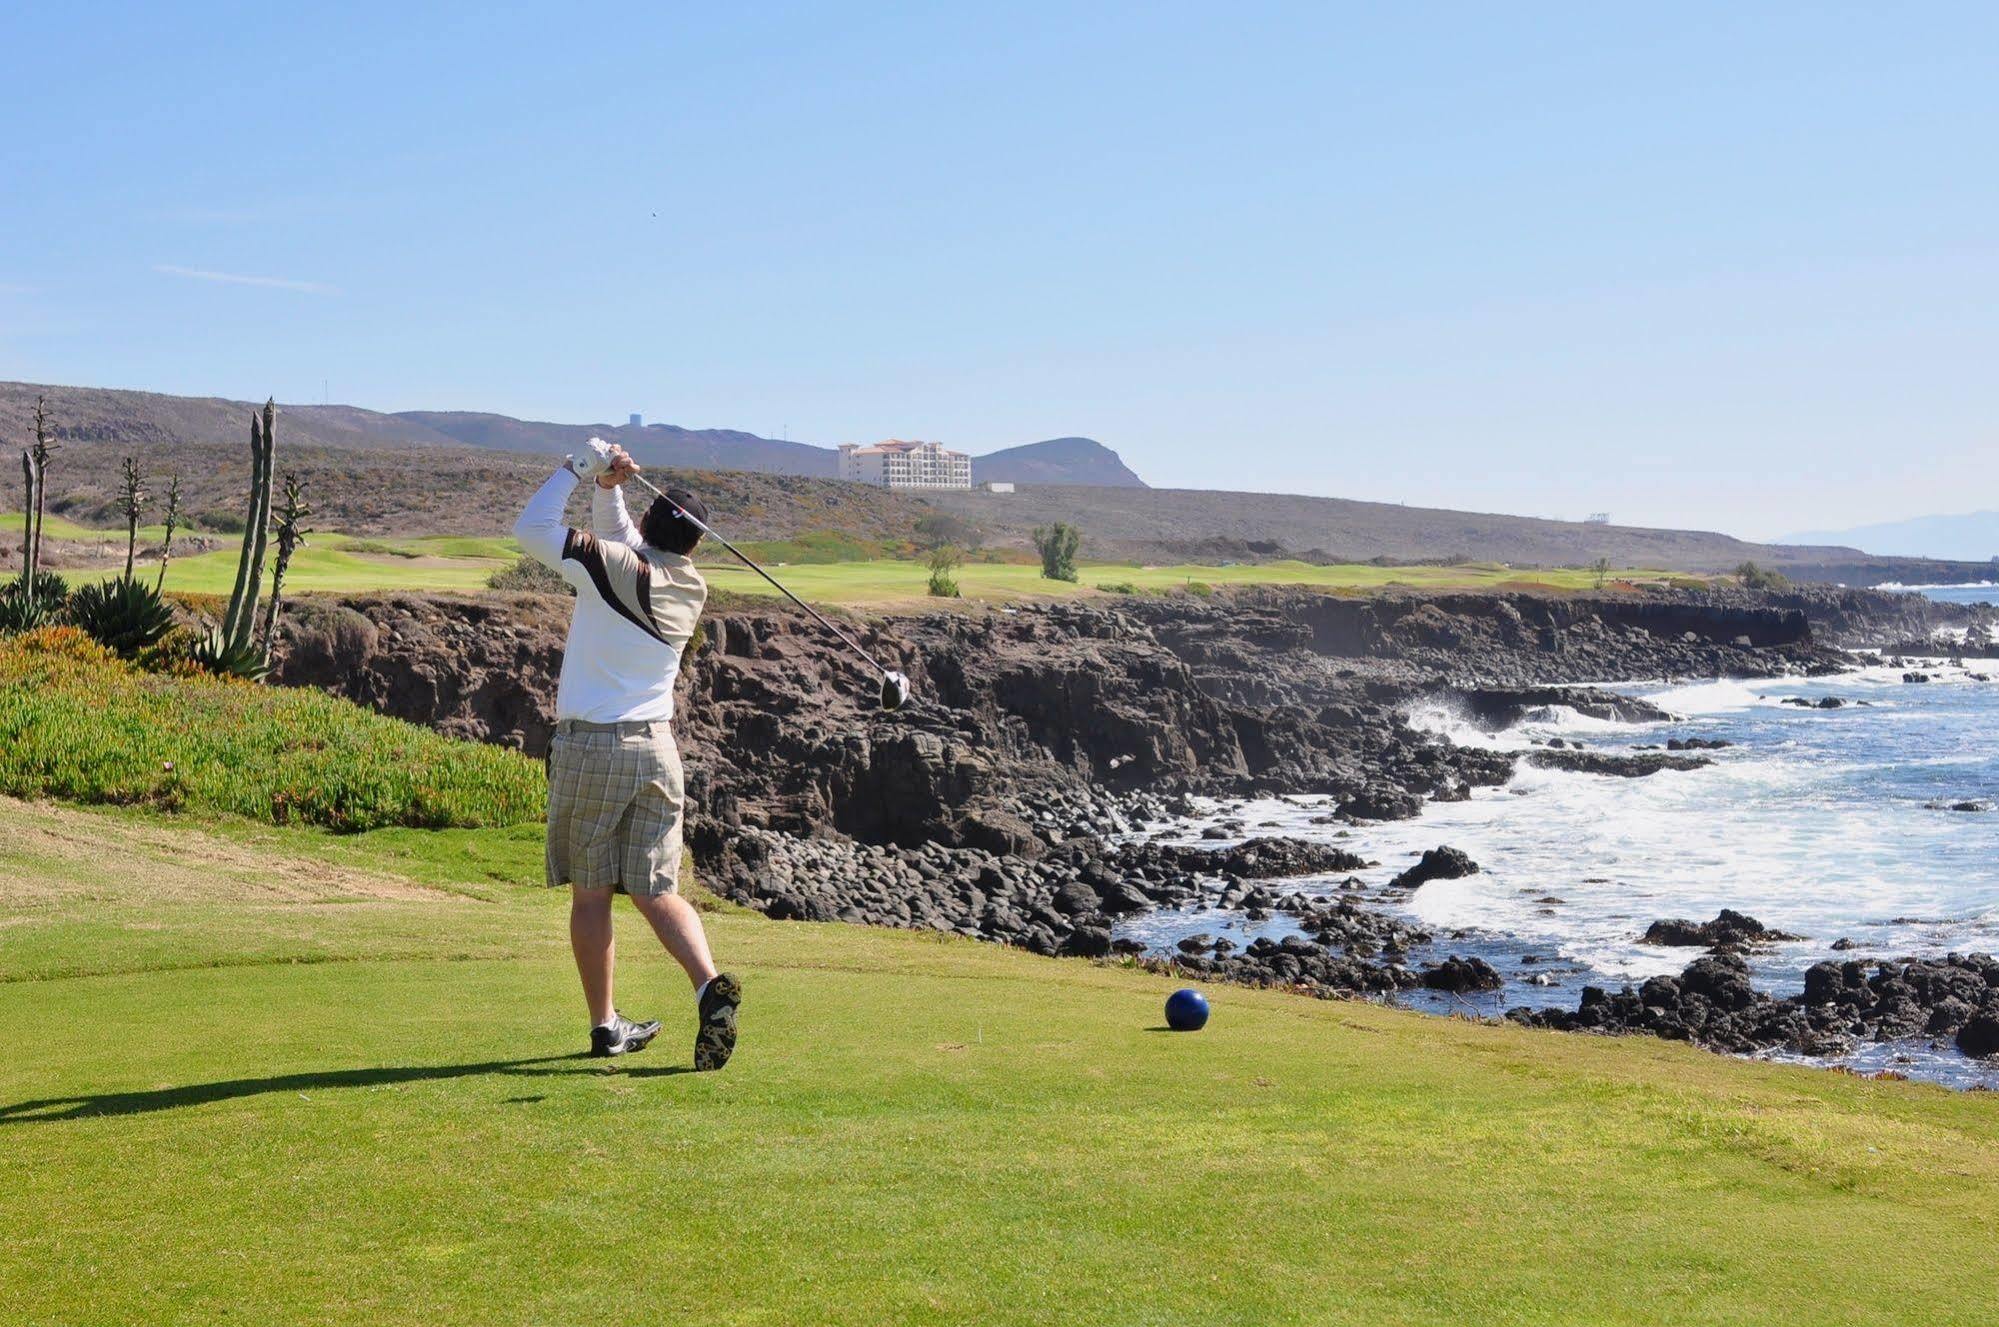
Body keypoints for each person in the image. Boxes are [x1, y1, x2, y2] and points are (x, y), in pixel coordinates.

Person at [511, 439, 741, 1070]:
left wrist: (575, 468)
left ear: (648, 526)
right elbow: (629, 547)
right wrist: (611, 489)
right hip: (658, 752)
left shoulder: (617, 567)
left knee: (591, 895)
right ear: (691, 544)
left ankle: (606, 1026)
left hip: (594, 748)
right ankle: (706, 985)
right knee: (655, 888)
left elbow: (531, 529)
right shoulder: (686, 584)